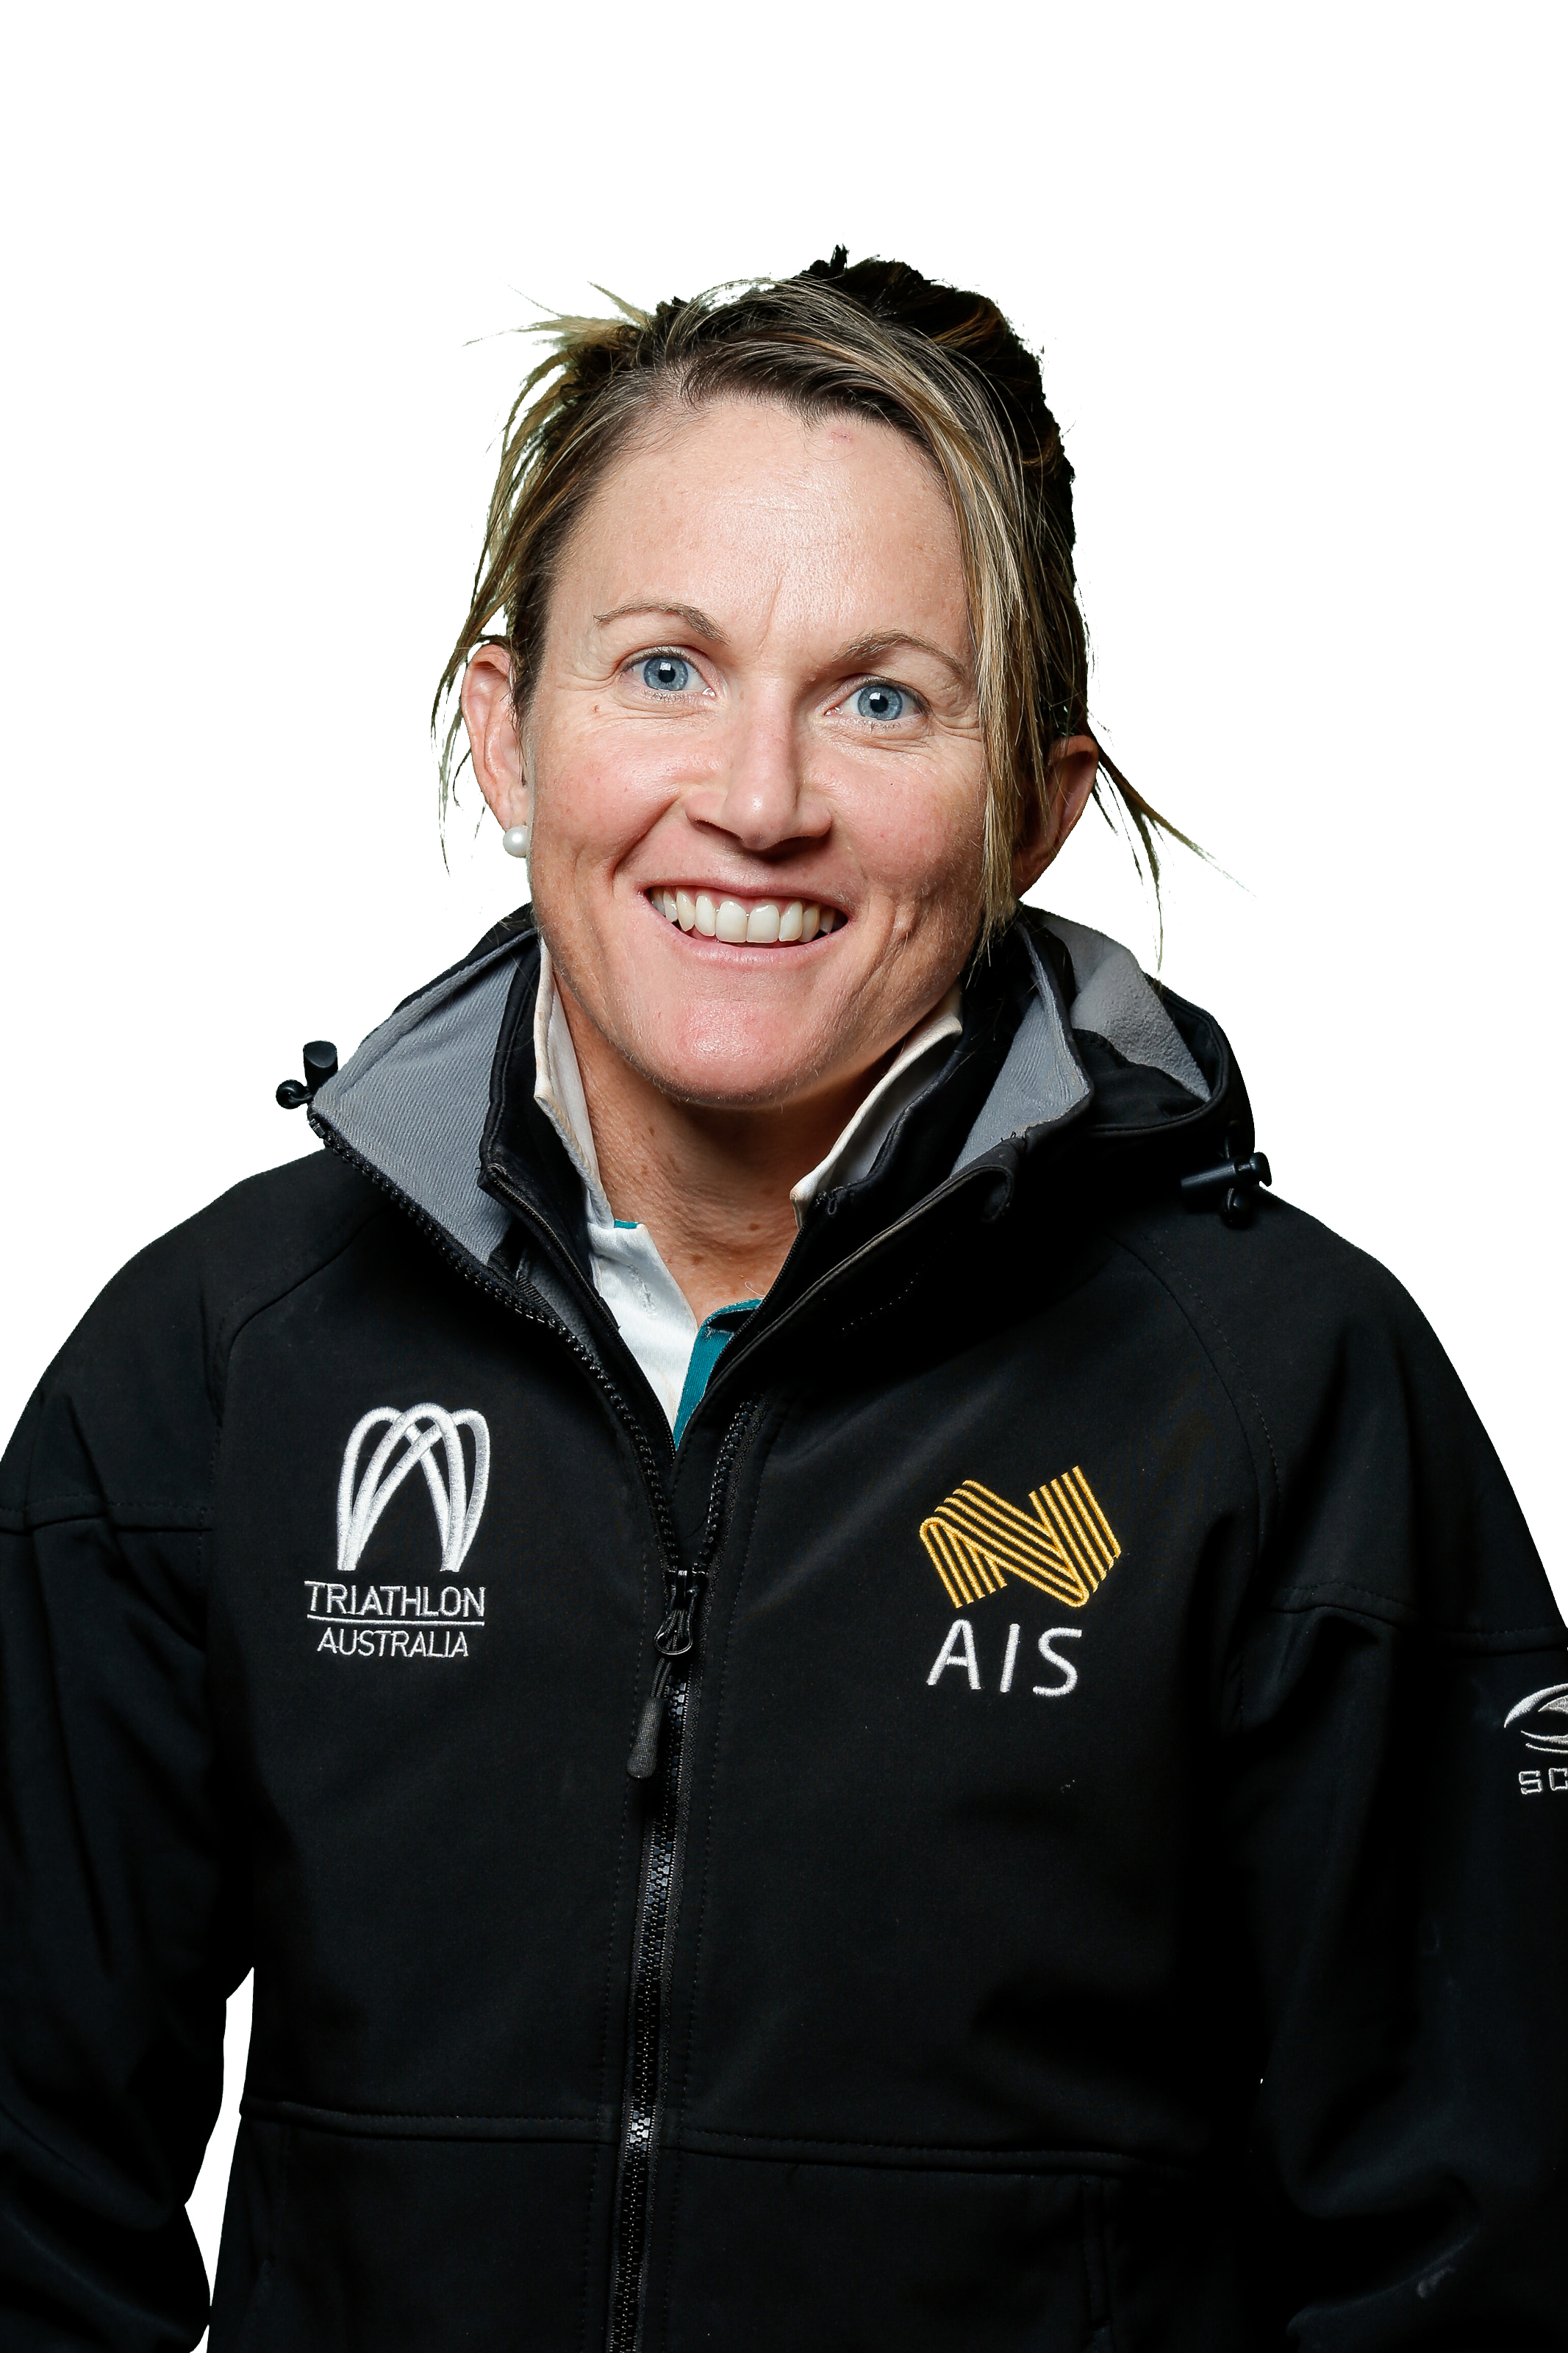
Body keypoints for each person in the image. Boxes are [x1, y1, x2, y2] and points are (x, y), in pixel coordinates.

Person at [1, 251, 1564, 2353]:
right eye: (665, 669)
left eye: (882, 698)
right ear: (505, 730)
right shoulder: (218, 1370)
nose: (757, 799)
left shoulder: (1283, 1396)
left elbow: (1480, 2259)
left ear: (1036, 809)